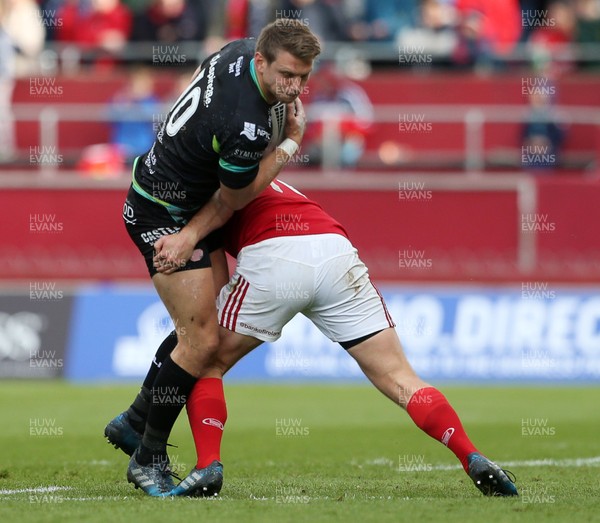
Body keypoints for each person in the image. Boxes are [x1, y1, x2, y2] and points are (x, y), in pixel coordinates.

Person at [106, 179, 519, 499]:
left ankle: (208, 464)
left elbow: (209, 299)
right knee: (400, 376)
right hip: (335, 248)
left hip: (276, 254)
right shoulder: (264, 172)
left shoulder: (205, 188)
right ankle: (470, 454)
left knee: (206, 354)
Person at [112, 19, 321, 496]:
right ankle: (147, 455)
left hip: (183, 198)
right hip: (160, 211)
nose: (296, 88)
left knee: (201, 333)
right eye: (288, 75)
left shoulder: (242, 49)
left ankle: (135, 419)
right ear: (262, 62)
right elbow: (235, 199)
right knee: (203, 343)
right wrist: (289, 145)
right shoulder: (243, 122)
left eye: (305, 78)